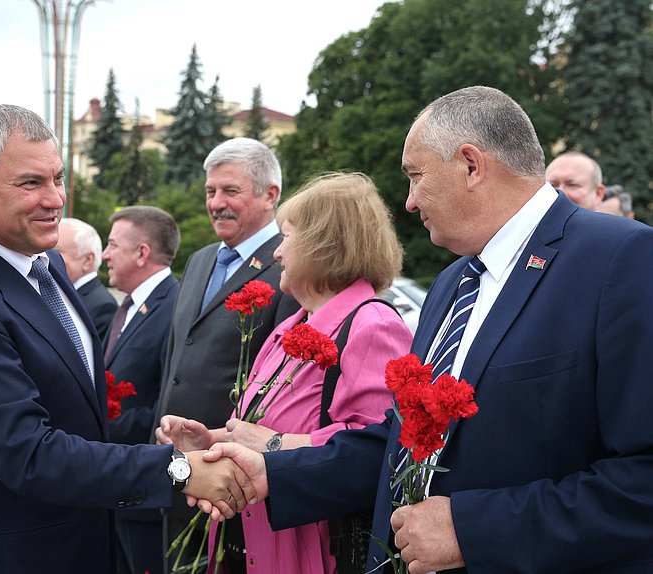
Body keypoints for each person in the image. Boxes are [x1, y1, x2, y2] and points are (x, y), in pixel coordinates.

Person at [199, 86, 653, 574]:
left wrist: (473, 530)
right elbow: (400, 441)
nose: (410, 203)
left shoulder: (621, 259)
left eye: (416, 177)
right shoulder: (452, 283)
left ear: (471, 165)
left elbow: (640, 478)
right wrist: (273, 469)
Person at [0, 104, 254, 574]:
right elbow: (28, 453)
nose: (54, 199)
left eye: (58, 178)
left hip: (74, 540)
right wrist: (178, 469)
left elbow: (75, 413)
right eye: (31, 183)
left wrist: (175, 452)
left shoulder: (46, 266)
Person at [157, 172, 413, 574]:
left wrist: (275, 443)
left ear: (324, 244)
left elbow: (377, 450)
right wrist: (212, 439)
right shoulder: (289, 327)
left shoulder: (372, 324)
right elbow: (259, 429)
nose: (277, 253)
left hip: (314, 553)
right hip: (253, 546)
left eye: (287, 237)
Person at [153, 137, 300, 565]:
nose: (216, 203)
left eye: (230, 191)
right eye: (210, 191)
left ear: (270, 194)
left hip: (232, 482)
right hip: (177, 464)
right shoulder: (199, 260)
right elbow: (176, 359)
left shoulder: (288, 268)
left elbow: (285, 384)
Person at [101, 206, 180, 574]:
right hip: (116, 482)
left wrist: (100, 430)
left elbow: (168, 401)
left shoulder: (175, 307)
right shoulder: (129, 305)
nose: (105, 254)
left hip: (144, 487)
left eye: (112, 244)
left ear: (141, 253)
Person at [56, 216, 118, 340]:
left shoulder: (103, 306)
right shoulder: (61, 293)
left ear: (87, 261)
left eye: (56, 252)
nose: (46, 257)